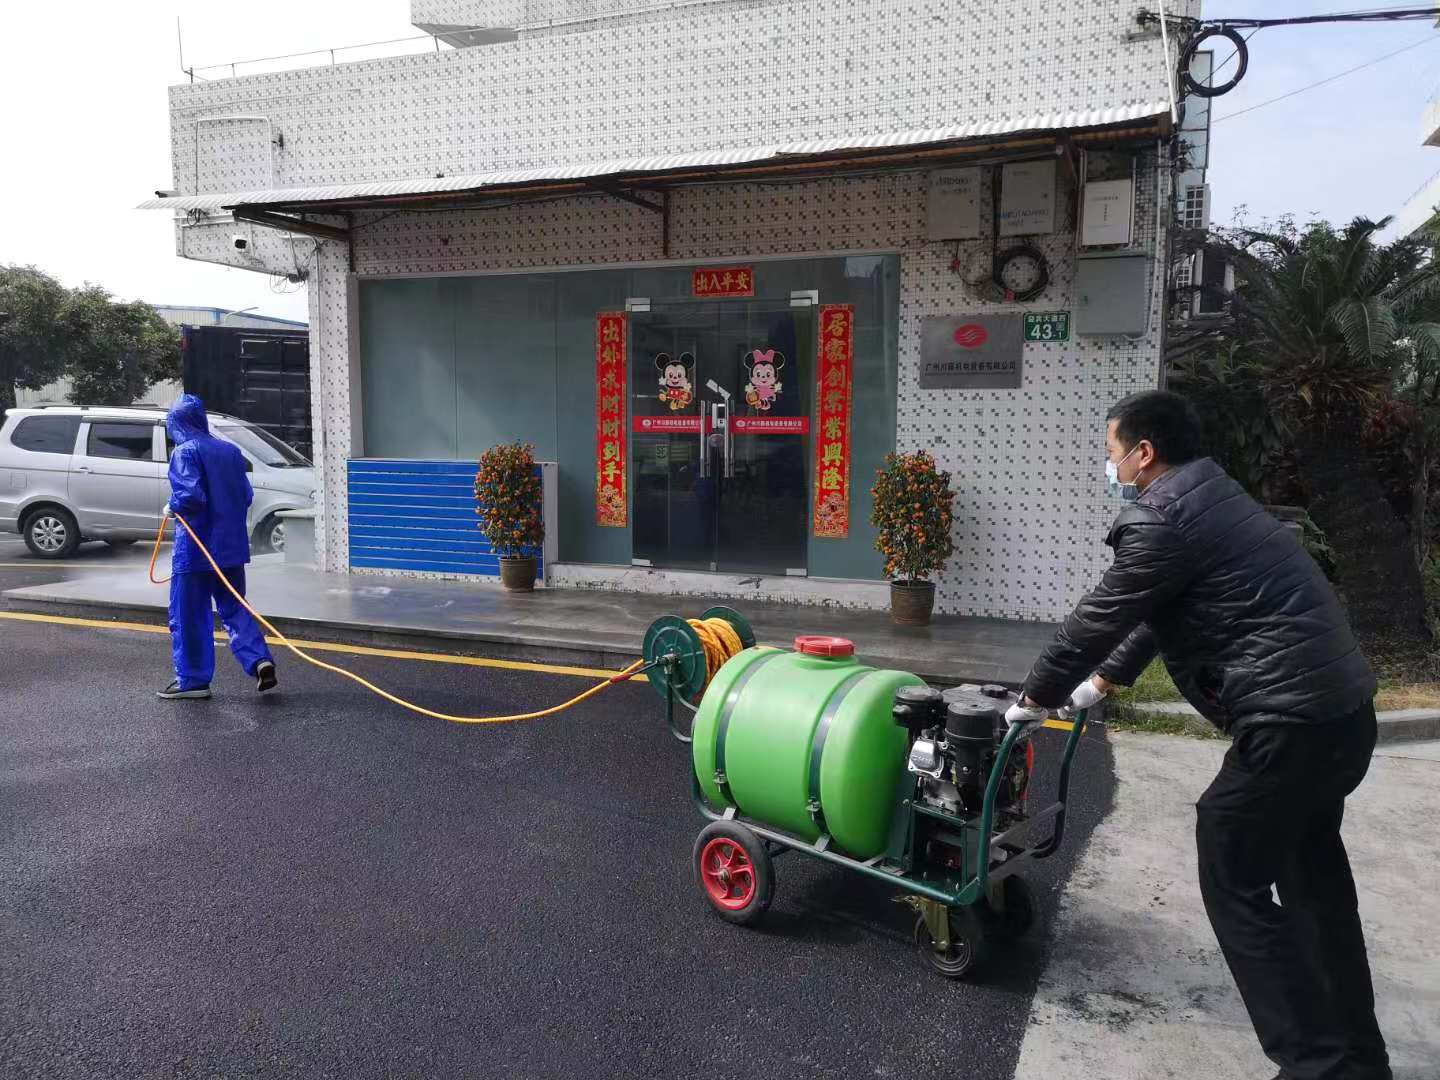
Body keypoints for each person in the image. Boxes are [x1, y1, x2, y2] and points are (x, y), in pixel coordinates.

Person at [1006, 390, 1386, 1080]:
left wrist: (1033, 698)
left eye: (1112, 452)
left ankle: (1318, 1065)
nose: (1111, 465)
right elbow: (1162, 611)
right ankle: (1358, 1059)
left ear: (1144, 452)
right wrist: (1103, 683)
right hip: (1342, 717)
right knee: (1314, 886)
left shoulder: (1160, 519)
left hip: (1288, 724)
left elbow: (1096, 619)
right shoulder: (1215, 498)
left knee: (1232, 865)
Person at [158, 394, 278, 701]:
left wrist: (172, 507)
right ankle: (259, 660)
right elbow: (246, 496)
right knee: (235, 606)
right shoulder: (230, 451)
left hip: (195, 550)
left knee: (189, 614)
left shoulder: (185, 451)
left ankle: (192, 681)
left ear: (177, 423)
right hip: (230, 547)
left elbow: (191, 496)